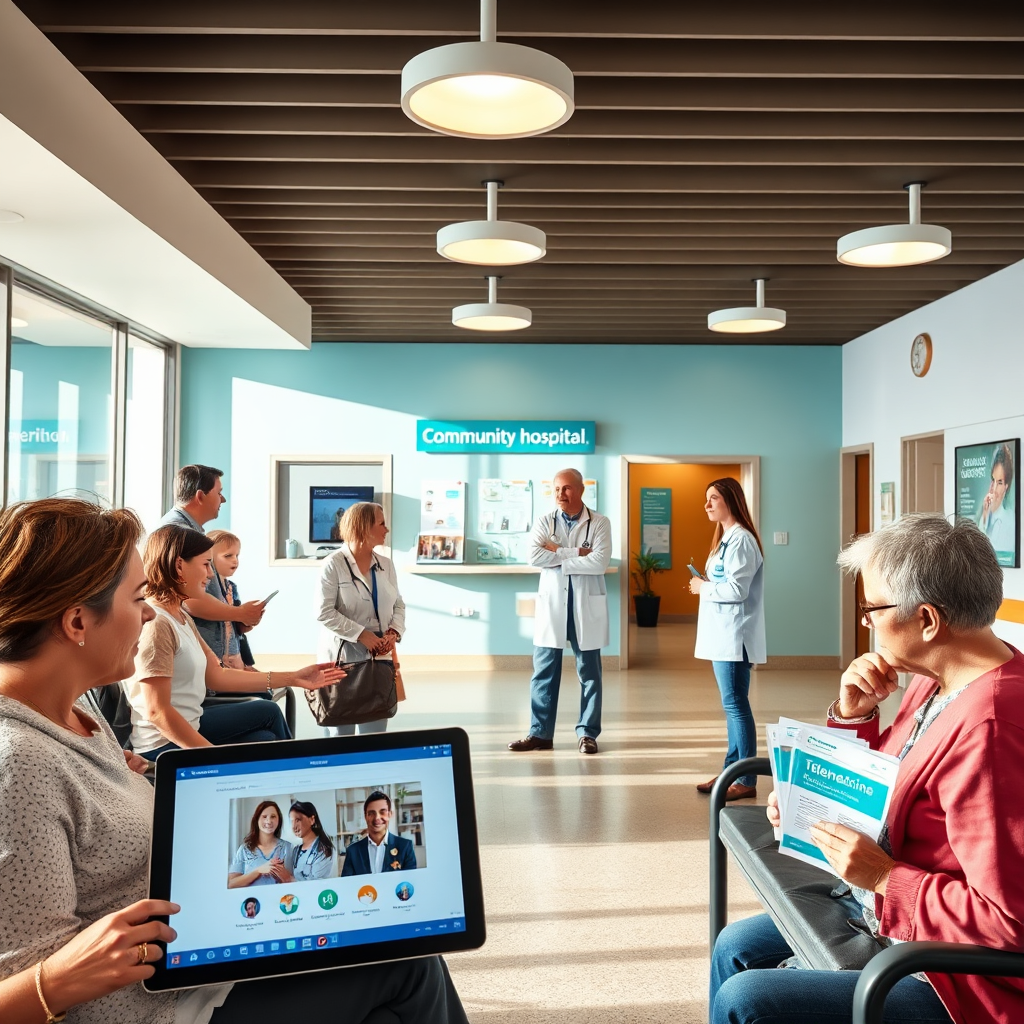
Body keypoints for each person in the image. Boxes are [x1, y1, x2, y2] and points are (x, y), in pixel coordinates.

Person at [0, 498, 469, 1024]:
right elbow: (23, 980)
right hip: (152, 1003)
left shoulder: (77, 711)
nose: (149, 610)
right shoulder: (19, 765)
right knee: (410, 965)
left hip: (203, 945)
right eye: (136, 598)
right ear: (78, 620)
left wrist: (132, 775)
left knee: (393, 979)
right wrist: (58, 978)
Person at [711, 514, 1024, 1024]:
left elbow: (1009, 923)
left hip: (954, 977)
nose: (867, 623)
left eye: (872, 609)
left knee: (745, 1000)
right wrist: (849, 721)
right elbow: (891, 782)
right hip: (883, 914)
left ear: (927, 620)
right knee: (736, 945)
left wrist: (884, 877)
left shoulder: (992, 730)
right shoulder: (934, 678)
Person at [125, 525, 343, 758]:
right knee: (266, 720)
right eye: (206, 564)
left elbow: (217, 676)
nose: (210, 574)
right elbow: (157, 712)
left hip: (192, 723)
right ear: (179, 566)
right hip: (162, 744)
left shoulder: (181, 616)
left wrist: (294, 677)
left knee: (266, 731)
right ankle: (292, 785)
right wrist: (215, 759)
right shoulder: (157, 624)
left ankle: (286, 787)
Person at [509, 469, 612, 755]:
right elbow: (534, 556)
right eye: (556, 489)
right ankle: (540, 734)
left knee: (589, 672)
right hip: (552, 605)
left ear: (580, 490)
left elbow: (599, 563)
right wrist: (577, 553)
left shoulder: (600, 523)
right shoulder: (545, 521)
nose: (560, 495)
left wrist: (558, 553)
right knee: (543, 671)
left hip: (585, 606)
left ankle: (588, 733)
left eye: (566, 489)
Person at [690, 477, 766, 801]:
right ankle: (730, 772)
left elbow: (737, 590)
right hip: (723, 636)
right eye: (706, 499)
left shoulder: (742, 541)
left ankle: (746, 779)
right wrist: (707, 584)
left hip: (734, 638)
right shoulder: (726, 539)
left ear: (730, 501)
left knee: (737, 706)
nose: (707, 505)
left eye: (713, 499)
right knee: (731, 705)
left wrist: (703, 588)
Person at [316, 502, 404, 736]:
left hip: (380, 656)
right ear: (364, 527)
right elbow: (324, 612)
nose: (387, 529)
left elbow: (398, 603)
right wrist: (362, 635)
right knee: (340, 735)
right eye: (381, 523)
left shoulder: (386, 564)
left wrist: (393, 632)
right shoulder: (333, 564)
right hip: (341, 658)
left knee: (375, 732)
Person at [158, 465, 266, 634]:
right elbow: (188, 597)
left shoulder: (184, 530)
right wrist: (240, 613)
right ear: (200, 496)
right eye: (218, 493)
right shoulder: (180, 533)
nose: (223, 499)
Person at [193, 530, 255, 670]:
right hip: (216, 661)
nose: (235, 560)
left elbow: (238, 631)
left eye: (237, 555)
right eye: (228, 556)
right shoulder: (205, 587)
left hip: (235, 658)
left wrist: (248, 621)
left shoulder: (232, 588)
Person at [342, 791, 417, 876]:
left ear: (389, 814)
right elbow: (347, 886)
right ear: (365, 817)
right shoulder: (353, 851)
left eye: (382, 812)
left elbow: (410, 883)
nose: (377, 818)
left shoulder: (405, 847)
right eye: (371, 813)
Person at [227, 800, 292, 888]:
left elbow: (294, 883)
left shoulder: (288, 848)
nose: (269, 821)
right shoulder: (244, 849)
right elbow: (231, 884)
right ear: (256, 820)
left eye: (273, 816)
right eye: (264, 817)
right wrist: (258, 871)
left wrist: (283, 874)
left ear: (279, 820)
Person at [281, 801, 337, 882]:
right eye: (292, 821)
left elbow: (317, 885)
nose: (294, 826)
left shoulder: (324, 851)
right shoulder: (295, 851)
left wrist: (290, 879)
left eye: (298, 820)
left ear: (312, 820)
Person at [978, 442, 1016, 557]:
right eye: (993, 480)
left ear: (1006, 486)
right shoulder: (985, 516)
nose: (994, 488)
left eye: (1000, 482)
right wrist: (985, 514)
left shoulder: (1010, 520)